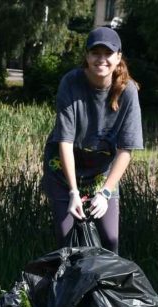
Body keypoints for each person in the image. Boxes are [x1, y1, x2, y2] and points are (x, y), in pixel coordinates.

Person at [41, 26, 143, 253]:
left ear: (118, 57)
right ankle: (69, 285)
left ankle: (105, 287)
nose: (101, 59)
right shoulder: (71, 82)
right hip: (62, 169)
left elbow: (126, 149)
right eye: (95, 52)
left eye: (108, 53)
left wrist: (105, 193)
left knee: (111, 240)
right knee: (67, 239)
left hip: (100, 172)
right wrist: (74, 193)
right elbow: (64, 142)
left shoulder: (128, 91)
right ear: (86, 56)